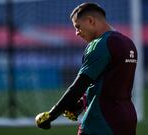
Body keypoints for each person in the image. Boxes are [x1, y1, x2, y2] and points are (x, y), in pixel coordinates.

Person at [35, 3, 138, 135]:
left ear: (90, 21)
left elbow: (79, 85)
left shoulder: (99, 44)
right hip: (127, 118)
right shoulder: (128, 43)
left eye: (78, 27)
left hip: (101, 121)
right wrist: (79, 105)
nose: (77, 33)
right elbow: (107, 83)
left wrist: (51, 115)